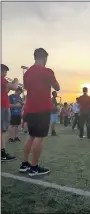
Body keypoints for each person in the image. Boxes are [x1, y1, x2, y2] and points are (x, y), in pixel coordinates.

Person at [19, 48, 60, 177]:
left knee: (31, 136)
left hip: (29, 109)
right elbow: (57, 87)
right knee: (39, 137)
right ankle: (34, 167)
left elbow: (26, 87)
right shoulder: (47, 71)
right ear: (45, 58)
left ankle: (24, 164)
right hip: (41, 109)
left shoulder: (27, 73)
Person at [1, 64, 19, 161]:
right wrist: (16, 81)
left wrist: (10, 84)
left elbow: (6, 91)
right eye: (4, 71)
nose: (6, 73)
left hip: (3, 107)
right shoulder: (2, 79)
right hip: (3, 107)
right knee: (2, 131)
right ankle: (2, 153)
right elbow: (15, 87)